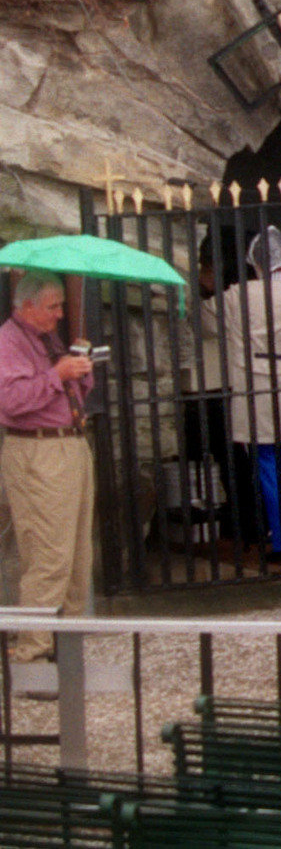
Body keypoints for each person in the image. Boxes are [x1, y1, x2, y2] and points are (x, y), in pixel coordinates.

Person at [207, 226, 281, 568]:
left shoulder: (237, 296)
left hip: (257, 393)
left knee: (269, 470)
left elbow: (200, 320)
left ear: (255, 263)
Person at [0, 271, 97, 660]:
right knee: (48, 554)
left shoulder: (46, 338)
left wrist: (78, 370)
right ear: (27, 306)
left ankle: (65, 643)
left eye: (60, 305)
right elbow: (11, 401)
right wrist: (57, 374)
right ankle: (33, 649)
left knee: (77, 554)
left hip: (69, 445)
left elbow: (65, 391)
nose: (59, 314)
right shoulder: (8, 342)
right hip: (38, 451)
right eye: (52, 306)